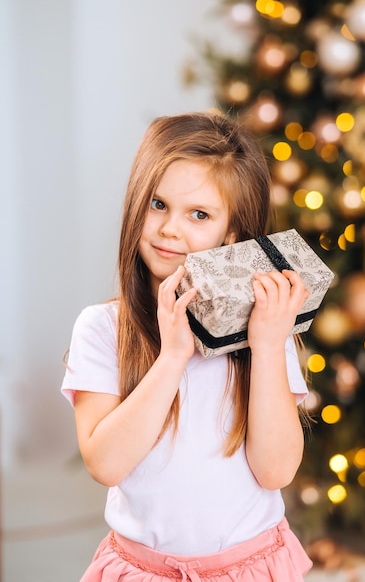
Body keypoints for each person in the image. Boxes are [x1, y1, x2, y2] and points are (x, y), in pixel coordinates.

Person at [62, 111, 313, 581]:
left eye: (199, 214)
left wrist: (266, 346)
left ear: (232, 234)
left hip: (250, 567)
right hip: (143, 569)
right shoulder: (101, 328)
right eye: (158, 204)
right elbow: (105, 463)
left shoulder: (266, 331)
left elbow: (276, 470)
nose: (170, 228)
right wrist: (172, 356)